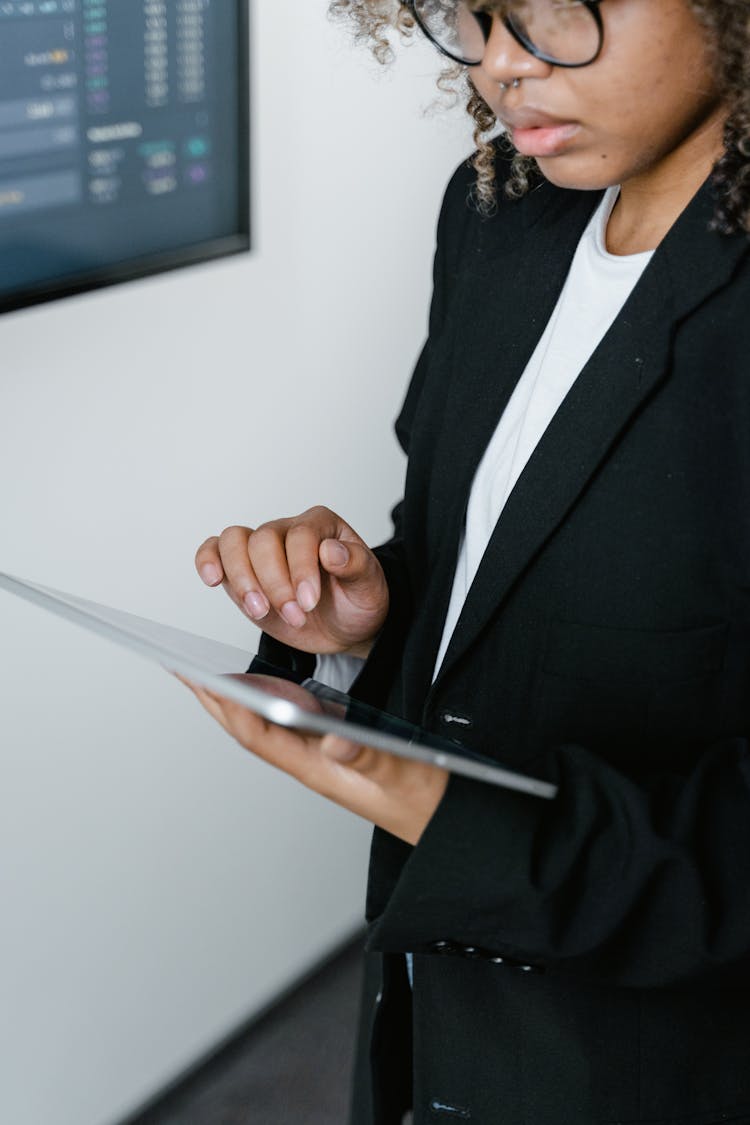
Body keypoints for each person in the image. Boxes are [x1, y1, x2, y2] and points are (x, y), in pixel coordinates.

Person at [187, 1, 750, 1122]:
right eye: (474, 12)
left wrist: (443, 810)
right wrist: (360, 627)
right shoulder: (499, 210)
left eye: (553, 12)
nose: (500, 61)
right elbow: (472, 569)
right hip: (438, 1024)